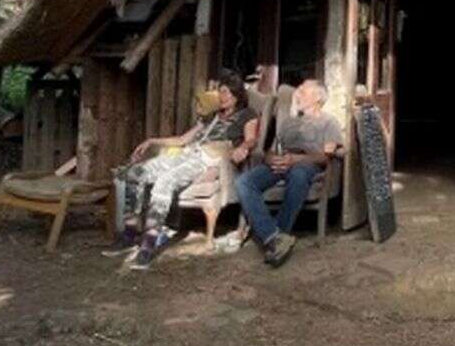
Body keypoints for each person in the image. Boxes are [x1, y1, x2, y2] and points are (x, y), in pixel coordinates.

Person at [105, 71, 258, 270]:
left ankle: (148, 246)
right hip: (187, 153)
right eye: (219, 92)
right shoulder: (211, 117)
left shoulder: (247, 114)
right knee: (134, 173)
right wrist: (151, 141)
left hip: (208, 159)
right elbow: (182, 140)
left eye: (225, 92)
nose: (221, 96)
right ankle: (130, 232)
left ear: (236, 94)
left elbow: (251, 138)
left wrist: (243, 148)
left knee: (165, 181)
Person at [235, 80, 343, 268]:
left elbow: (326, 157)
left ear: (318, 97)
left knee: (298, 175)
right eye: (298, 88)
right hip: (282, 162)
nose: (298, 92)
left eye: (303, 90)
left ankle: (278, 233)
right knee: (244, 181)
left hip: (307, 164)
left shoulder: (329, 122)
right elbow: (271, 150)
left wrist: (295, 159)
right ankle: (274, 237)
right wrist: (270, 159)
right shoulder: (289, 122)